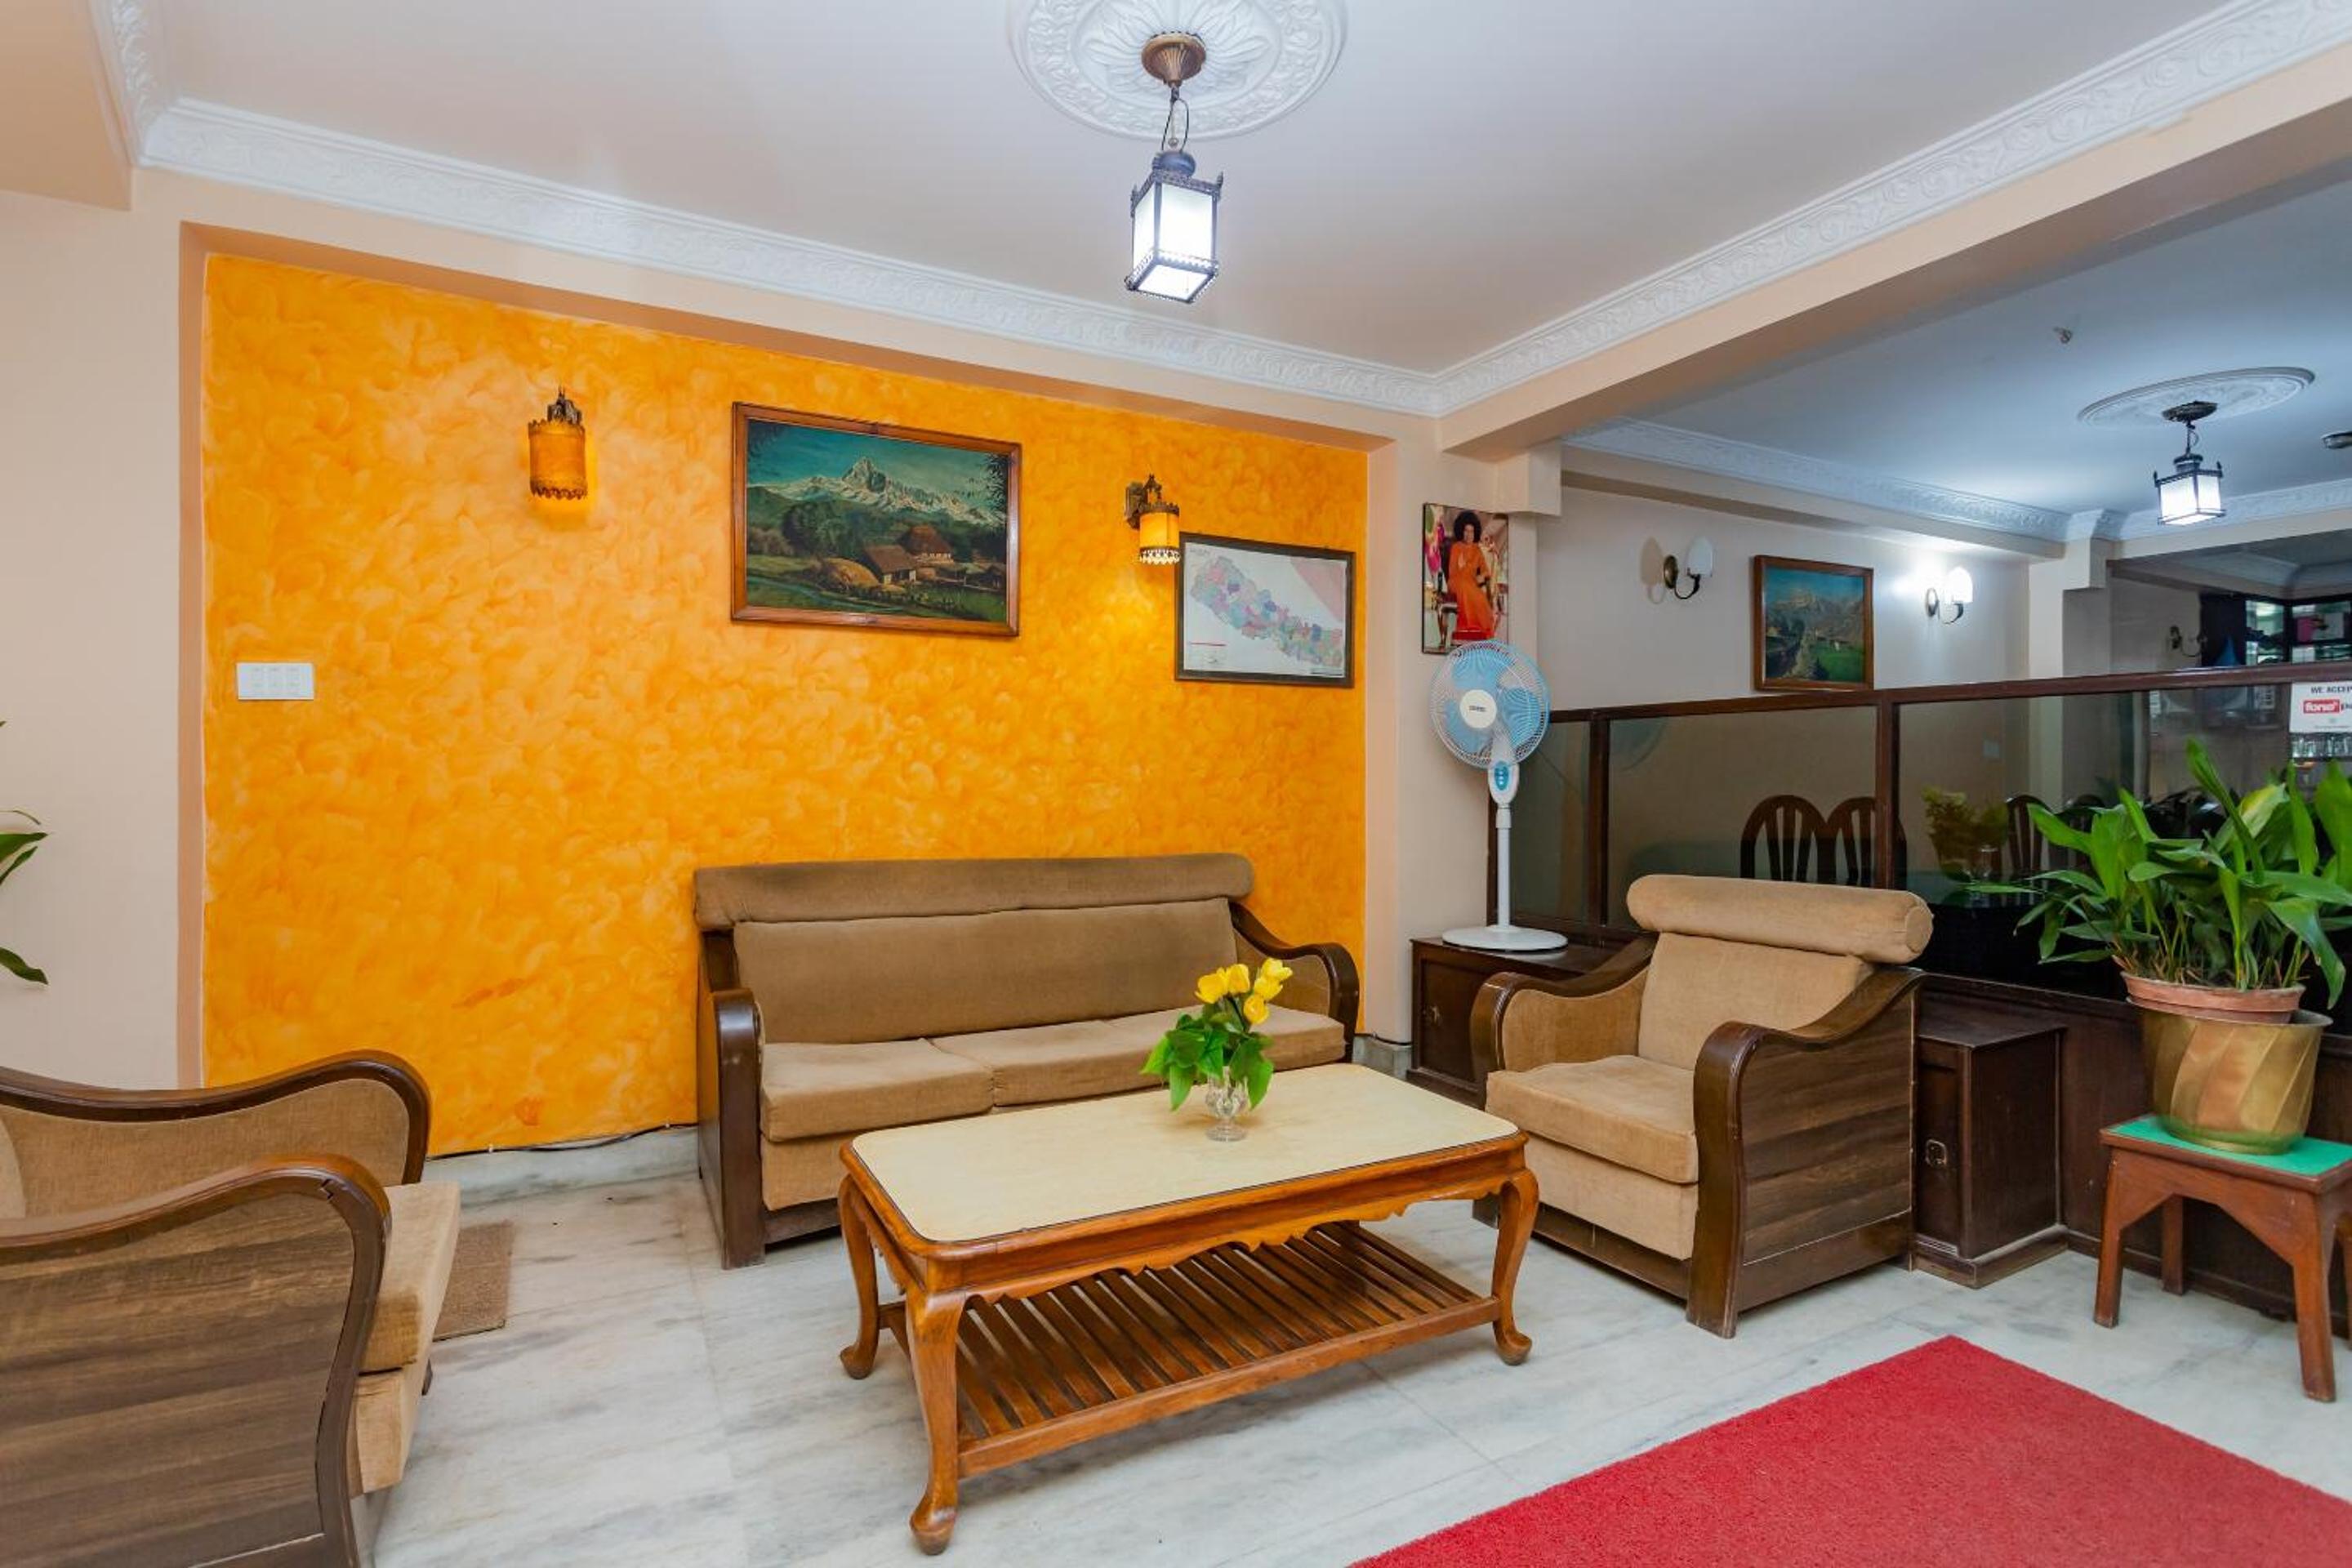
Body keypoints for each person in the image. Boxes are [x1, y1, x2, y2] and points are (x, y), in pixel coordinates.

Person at [1445, 512, 1498, 643]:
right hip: (1456, 581)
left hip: (1471, 583)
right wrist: (1463, 567)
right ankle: (1467, 629)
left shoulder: (1477, 550)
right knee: (1465, 587)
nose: (1469, 534)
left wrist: (1481, 576)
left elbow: (1486, 571)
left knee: (1480, 597)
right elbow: (1453, 573)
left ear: (1475, 533)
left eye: (1472, 531)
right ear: (1461, 531)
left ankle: (1477, 632)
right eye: (1466, 531)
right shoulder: (1456, 548)